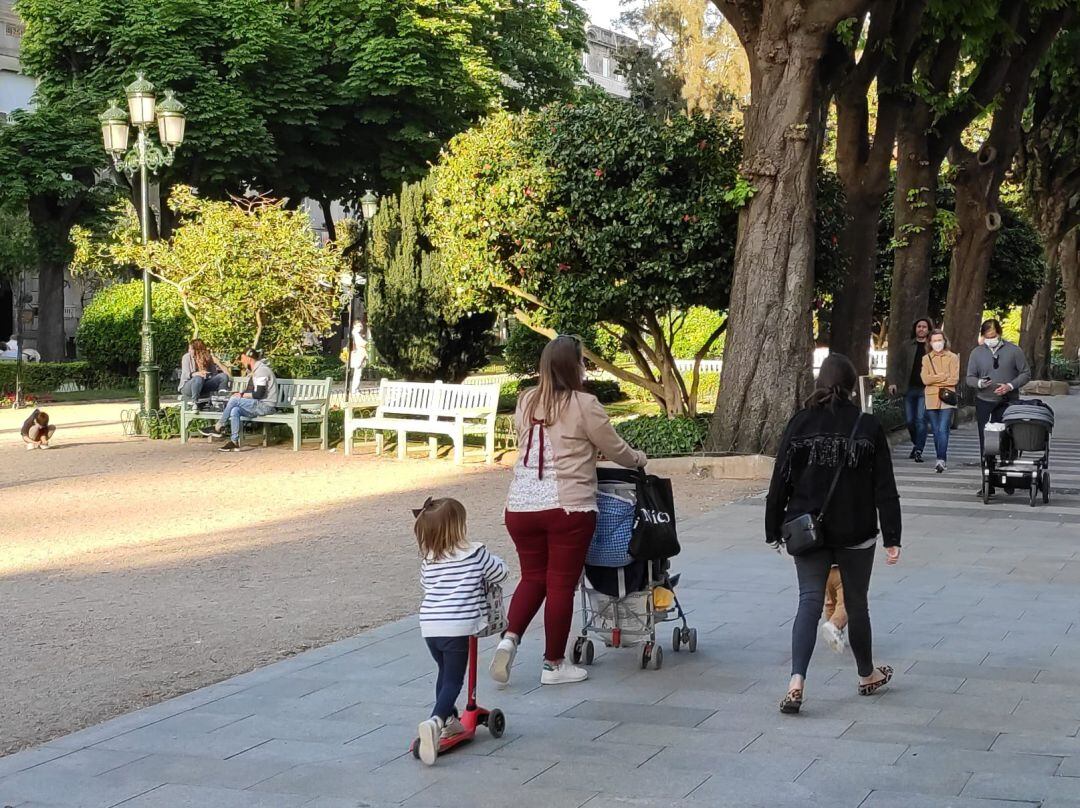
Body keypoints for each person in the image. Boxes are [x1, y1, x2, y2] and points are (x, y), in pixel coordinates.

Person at [489, 335, 647, 687]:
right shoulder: (584, 404)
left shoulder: (527, 399)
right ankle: (554, 664)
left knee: (532, 577)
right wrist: (638, 460)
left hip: (520, 506)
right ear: (573, 366)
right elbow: (614, 447)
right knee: (560, 583)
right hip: (568, 507)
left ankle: (509, 639)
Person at [766, 353, 901, 714]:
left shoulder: (800, 423)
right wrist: (893, 536)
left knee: (809, 601)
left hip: (808, 527)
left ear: (820, 382)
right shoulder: (867, 426)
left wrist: (773, 529)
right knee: (857, 604)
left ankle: (797, 681)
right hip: (856, 529)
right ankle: (866, 674)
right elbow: (884, 486)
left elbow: (780, 480)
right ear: (850, 385)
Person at [414, 497, 508, 766]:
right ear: (459, 527)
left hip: (431, 627)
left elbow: (426, 585)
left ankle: (450, 719)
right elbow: (501, 572)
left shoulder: (429, 560)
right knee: (454, 680)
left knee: (444, 675)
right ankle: (436, 721)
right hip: (458, 626)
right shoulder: (475, 553)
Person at [966, 319, 1031, 459]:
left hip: (1009, 401)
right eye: (987, 337)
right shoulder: (976, 353)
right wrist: (979, 383)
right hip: (984, 400)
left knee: (1009, 433)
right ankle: (987, 464)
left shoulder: (1014, 350)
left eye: (993, 336)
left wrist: (1010, 386)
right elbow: (969, 377)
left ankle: (1009, 462)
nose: (991, 340)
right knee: (985, 435)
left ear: (999, 334)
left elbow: (1026, 373)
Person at [199, 349, 278, 452]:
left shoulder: (261, 371)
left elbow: (259, 394)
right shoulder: (256, 370)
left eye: (242, 358)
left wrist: (241, 395)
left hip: (266, 406)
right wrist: (241, 394)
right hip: (258, 405)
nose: (241, 361)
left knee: (234, 399)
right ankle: (234, 442)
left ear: (249, 358)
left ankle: (218, 427)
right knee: (235, 410)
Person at [889, 318, 933, 463]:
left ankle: (919, 450)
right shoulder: (907, 345)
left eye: (924, 327)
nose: (921, 329)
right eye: (919, 326)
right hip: (909, 388)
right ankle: (917, 444)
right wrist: (893, 382)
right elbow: (896, 364)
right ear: (915, 329)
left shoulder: (932, 346)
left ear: (928, 329)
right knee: (909, 421)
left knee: (921, 420)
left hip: (925, 389)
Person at [921, 329, 960, 473]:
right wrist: (943, 377)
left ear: (944, 341)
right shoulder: (926, 359)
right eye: (934, 340)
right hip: (931, 397)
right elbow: (925, 379)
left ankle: (941, 459)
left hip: (947, 397)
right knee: (937, 430)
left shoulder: (953, 357)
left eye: (940, 340)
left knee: (943, 428)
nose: (937, 343)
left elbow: (954, 379)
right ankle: (940, 457)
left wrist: (935, 378)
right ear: (930, 343)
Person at [820, 566, 848, 653]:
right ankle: (834, 625)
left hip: (826, 571)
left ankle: (835, 632)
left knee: (831, 602)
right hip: (843, 571)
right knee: (845, 603)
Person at [348, 322, 368, 397]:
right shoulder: (355, 334)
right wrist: (366, 342)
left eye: (360, 326)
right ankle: (354, 390)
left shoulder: (355, 334)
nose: (360, 327)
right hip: (358, 355)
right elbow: (361, 343)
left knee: (358, 373)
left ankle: (355, 389)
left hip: (359, 354)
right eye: (358, 326)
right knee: (357, 373)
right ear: (355, 326)